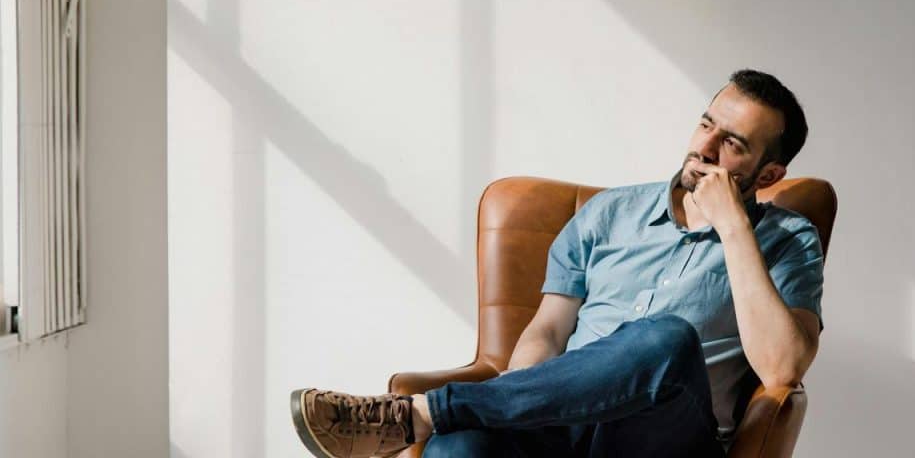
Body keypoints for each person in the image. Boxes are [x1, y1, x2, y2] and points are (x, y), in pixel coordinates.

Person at [290, 70, 825, 458]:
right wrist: (518, 411)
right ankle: (445, 419)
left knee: (664, 337)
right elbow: (547, 331)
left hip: (661, 442)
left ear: (767, 173)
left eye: (731, 143)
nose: (703, 147)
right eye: (706, 124)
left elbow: (783, 367)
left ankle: (419, 414)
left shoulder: (786, 240)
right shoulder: (610, 213)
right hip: (562, 426)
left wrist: (732, 227)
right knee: (459, 447)